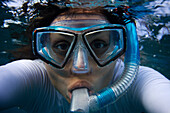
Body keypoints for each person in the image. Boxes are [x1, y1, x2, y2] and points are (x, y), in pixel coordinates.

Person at [0, 4, 170, 113]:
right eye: (62, 46)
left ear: (118, 49)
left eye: (98, 45)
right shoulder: (33, 78)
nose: (80, 67)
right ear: (44, 50)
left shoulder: (137, 81)